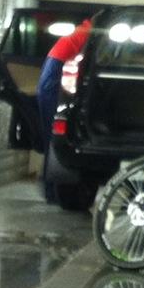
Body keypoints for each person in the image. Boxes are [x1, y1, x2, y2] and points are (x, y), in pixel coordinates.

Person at [36, 17, 93, 204]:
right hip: (53, 83)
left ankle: (51, 190)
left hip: (49, 80)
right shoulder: (88, 34)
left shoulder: (80, 31)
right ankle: (52, 192)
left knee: (51, 139)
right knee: (54, 140)